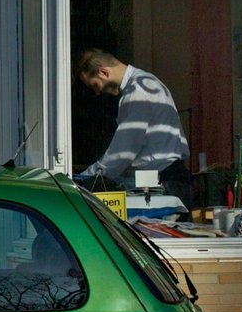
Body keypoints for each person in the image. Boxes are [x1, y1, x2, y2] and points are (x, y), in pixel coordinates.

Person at [74, 47, 193, 206]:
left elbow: (123, 152)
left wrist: (84, 179)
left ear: (104, 72)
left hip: (165, 182)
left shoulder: (138, 91)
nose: (97, 92)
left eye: (95, 85)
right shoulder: (146, 82)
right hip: (169, 179)